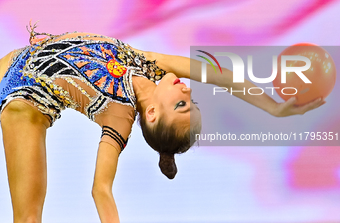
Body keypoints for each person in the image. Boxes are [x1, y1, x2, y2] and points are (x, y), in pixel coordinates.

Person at [0, 23, 325, 223]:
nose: (186, 88)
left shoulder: (120, 118)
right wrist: (273, 108)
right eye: (191, 101)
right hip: (11, 60)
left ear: (153, 115)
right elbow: (216, 74)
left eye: (182, 105)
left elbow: (100, 189)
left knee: (27, 219)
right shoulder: (149, 66)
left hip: (25, 106)